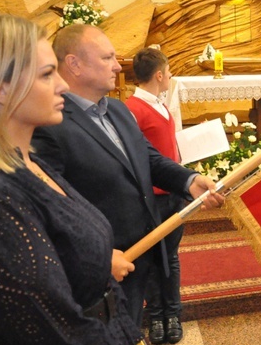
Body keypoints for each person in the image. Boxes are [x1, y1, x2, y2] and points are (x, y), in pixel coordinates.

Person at [0, 14, 168, 345]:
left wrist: (131, 344)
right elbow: (51, 328)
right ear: (0, 89)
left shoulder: (30, 163)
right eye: (48, 74)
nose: (63, 84)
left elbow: (96, 274)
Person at [32, 24, 224, 329]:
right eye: (107, 57)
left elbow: (148, 159)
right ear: (74, 64)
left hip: (143, 249)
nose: (117, 65)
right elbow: (51, 205)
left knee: (131, 337)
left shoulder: (118, 110)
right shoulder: (50, 124)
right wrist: (96, 254)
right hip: (102, 263)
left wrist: (188, 180)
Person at [126, 47, 186, 345]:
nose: (171, 75)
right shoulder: (132, 109)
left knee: (171, 258)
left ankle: (173, 314)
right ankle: (157, 316)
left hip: (172, 194)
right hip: (151, 199)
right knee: (151, 259)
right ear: (159, 74)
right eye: (169, 70)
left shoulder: (161, 104)